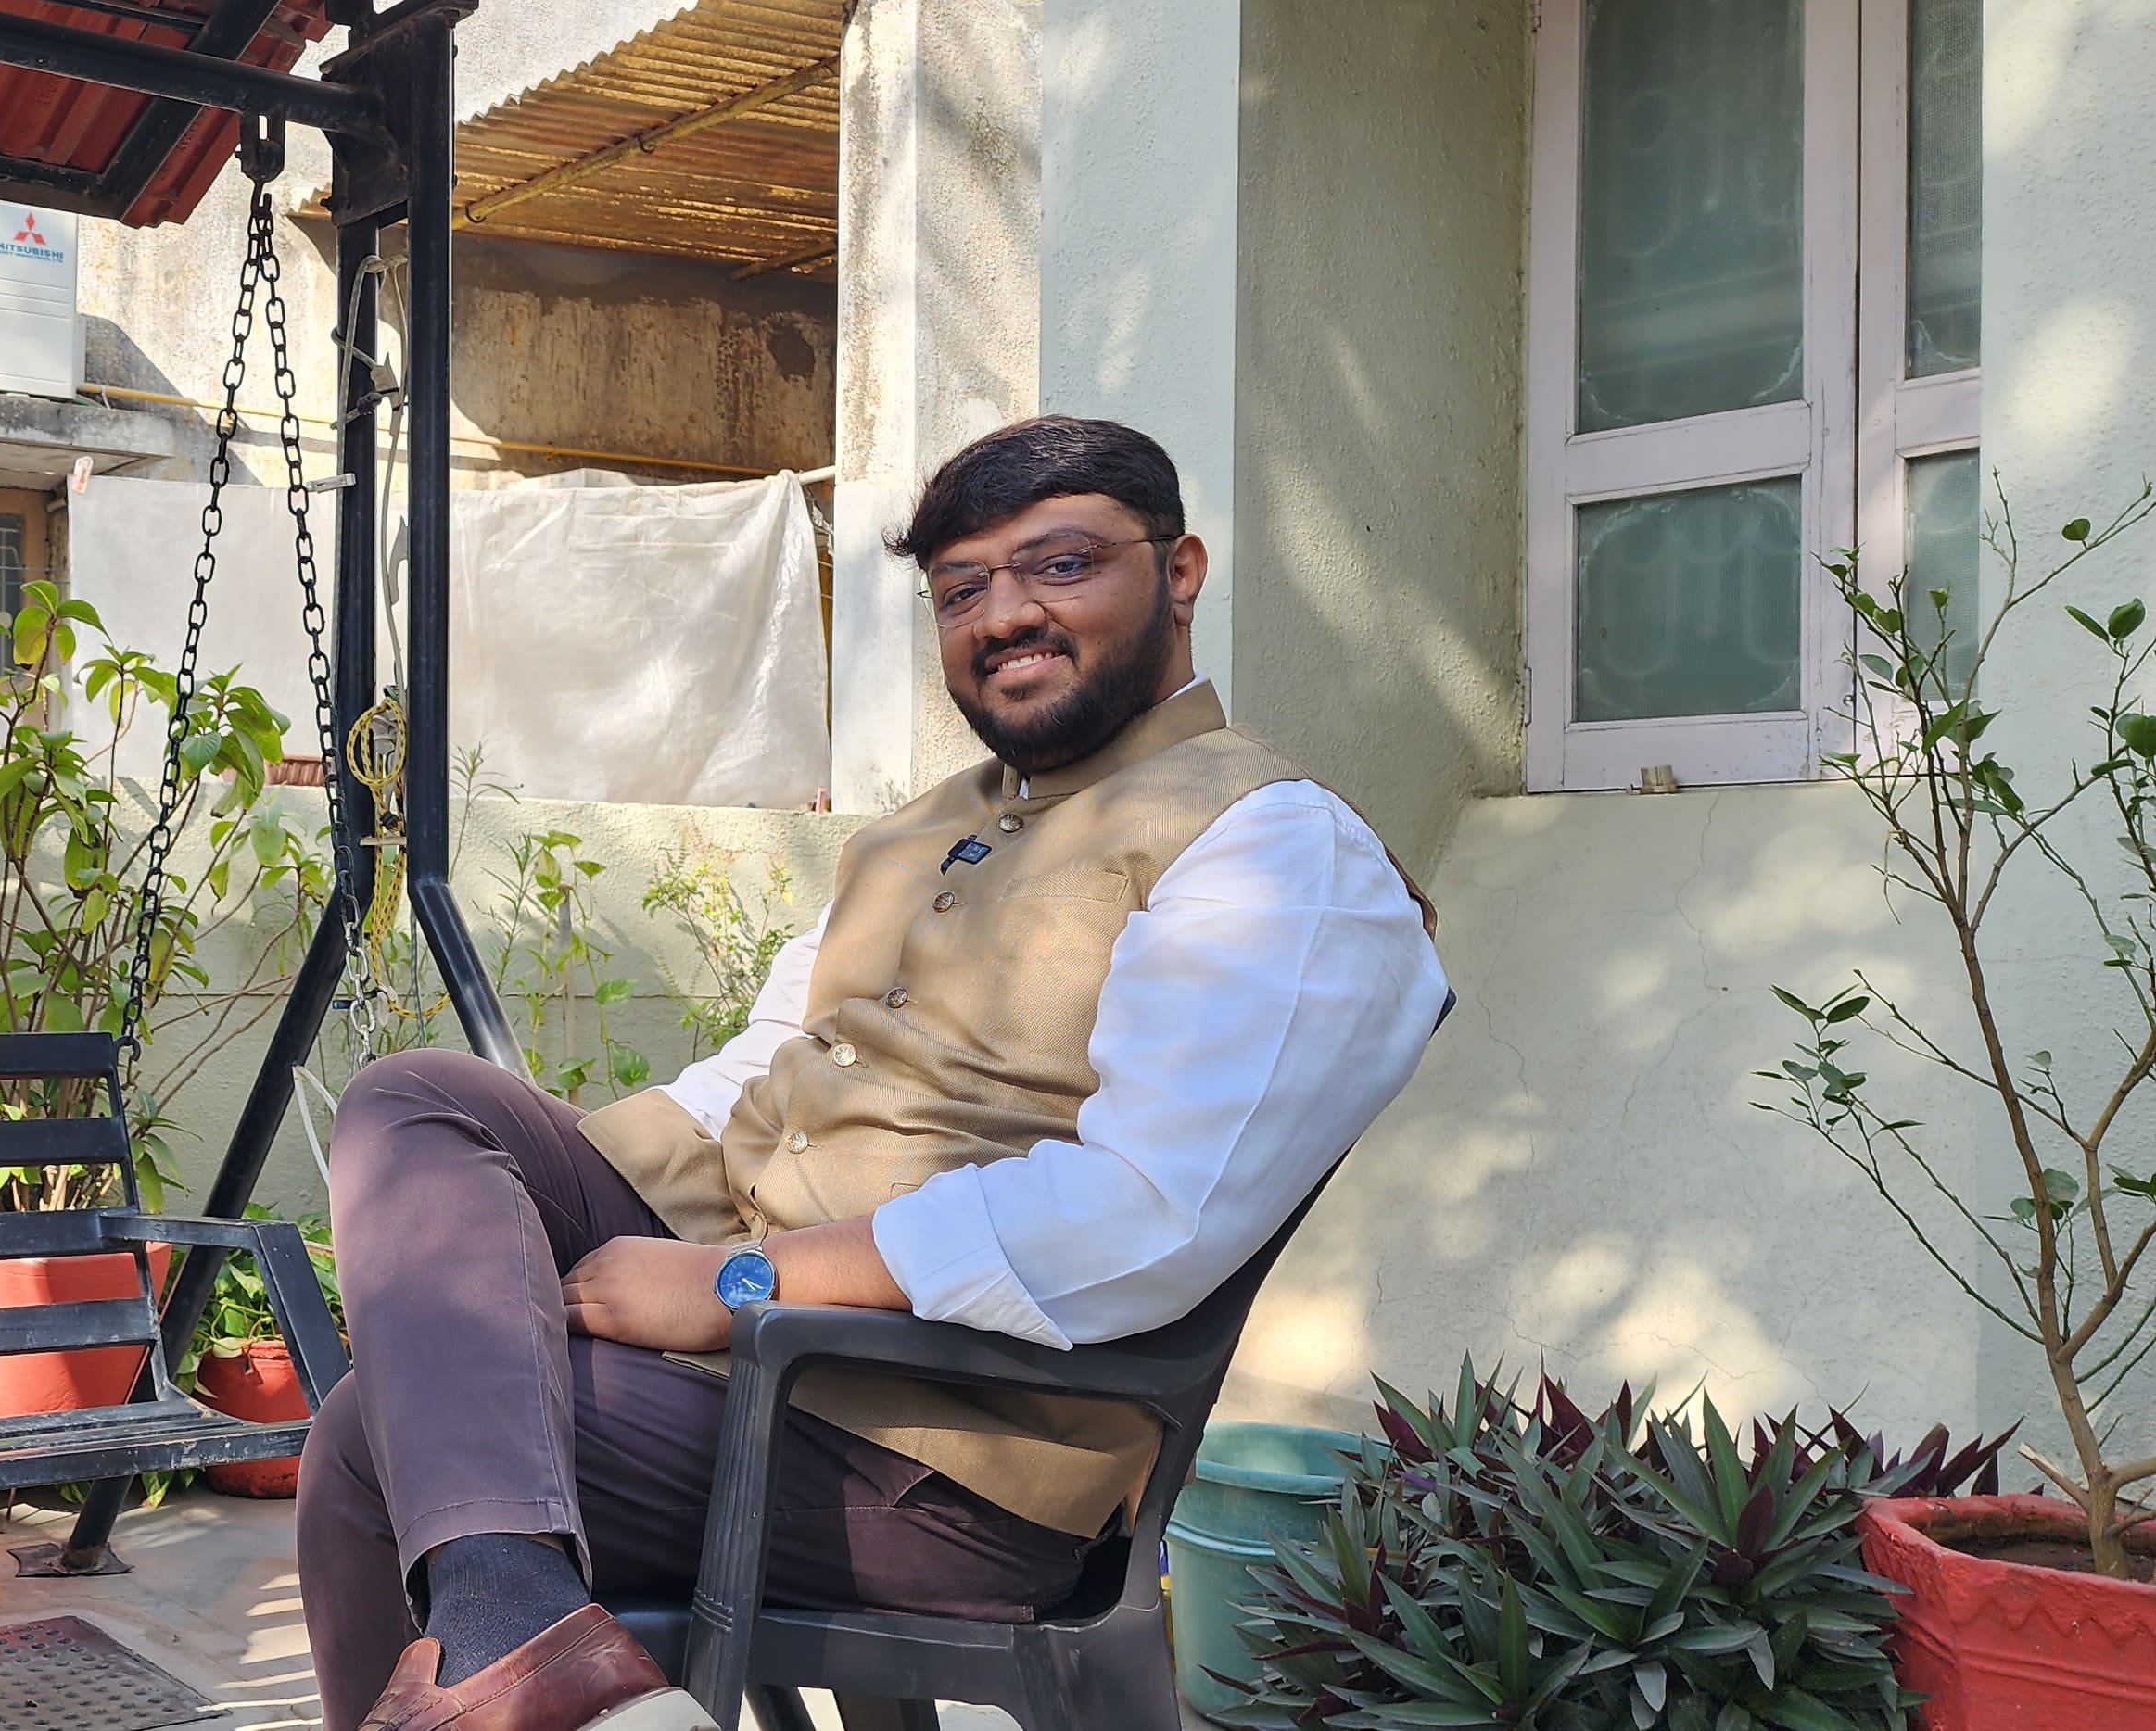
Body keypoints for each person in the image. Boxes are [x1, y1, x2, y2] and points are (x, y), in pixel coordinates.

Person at [298, 416, 1451, 1731]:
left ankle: (509, 1645)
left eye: (1061, 564)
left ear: (1179, 572)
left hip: (942, 1459)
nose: (1004, 615)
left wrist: (734, 1286)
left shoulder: (1275, 845)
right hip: (762, 1361)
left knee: (377, 1434)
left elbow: (1145, 1214)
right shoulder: (921, 830)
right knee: (422, 1103)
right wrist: (502, 1240)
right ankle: (523, 1649)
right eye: (962, 589)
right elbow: (760, 1075)